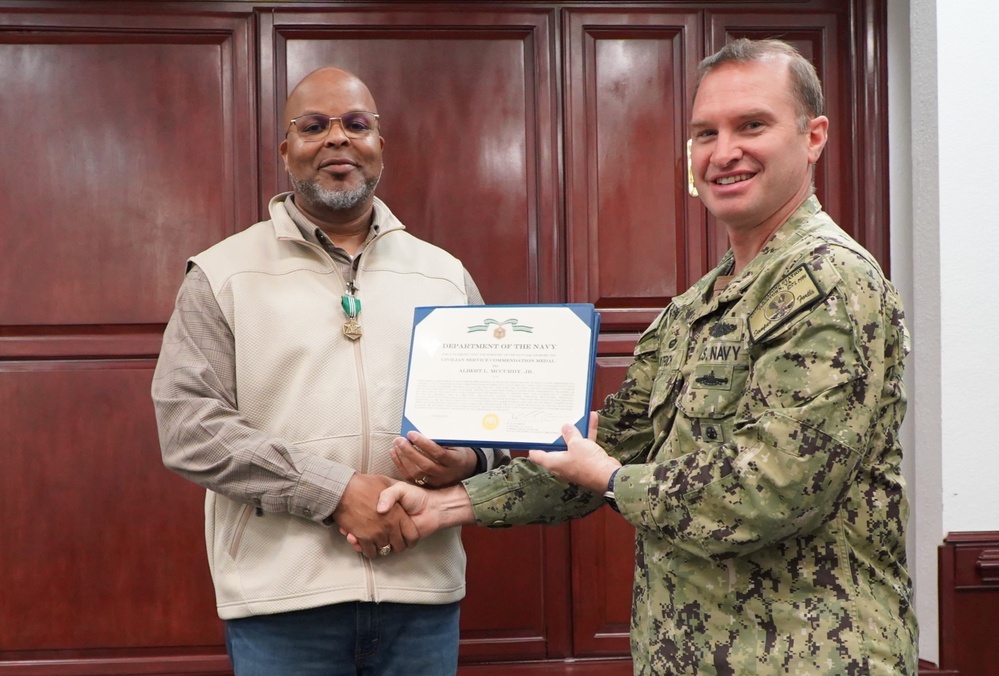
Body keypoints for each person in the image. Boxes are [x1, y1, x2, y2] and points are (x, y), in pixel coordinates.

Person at [365, 39, 918, 674]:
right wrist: (447, 504)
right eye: (705, 132)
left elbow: (771, 491)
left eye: (752, 126)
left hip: (808, 656)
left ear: (813, 136)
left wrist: (609, 479)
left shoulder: (831, 284)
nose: (724, 152)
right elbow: (602, 447)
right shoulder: (692, 310)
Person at [151, 66, 506, 676]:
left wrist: (468, 459)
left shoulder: (444, 274)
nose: (338, 139)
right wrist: (333, 492)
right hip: (282, 607)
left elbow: (499, 420)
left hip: (420, 598)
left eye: (357, 125)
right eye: (314, 126)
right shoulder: (221, 274)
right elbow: (189, 427)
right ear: (286, 151)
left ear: (379, 147)